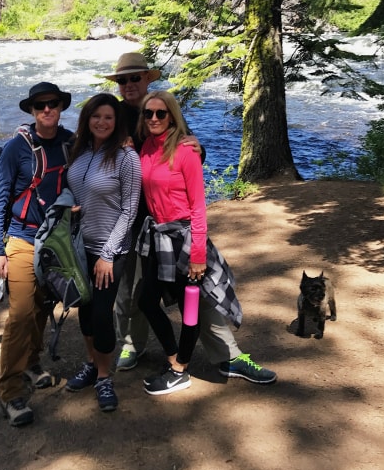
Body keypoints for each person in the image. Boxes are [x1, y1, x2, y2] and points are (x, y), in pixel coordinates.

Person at [104, 52, 277, 384]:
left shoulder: (162, 107)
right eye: (123, 80)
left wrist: (200, 149)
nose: (129, 85)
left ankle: (227, 357)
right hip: (128, 224)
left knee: (195, 295)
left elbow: (189, 149)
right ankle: (131, 345)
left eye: (135, 78)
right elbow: (94, 151)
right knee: (130, 292)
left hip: (169, 225)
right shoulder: (113, 116)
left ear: (148, 79)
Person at [0, 82, 74, 427]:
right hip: (22, 240)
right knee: (21, 313)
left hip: (55, 240)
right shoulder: (15, 150)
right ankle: (10, 392)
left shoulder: (71, 143)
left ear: (61, 107)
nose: (47, 110)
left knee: (42, 306)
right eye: (40, 106)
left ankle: (33, 364)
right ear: (32, 111)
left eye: (52, 104)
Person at [64, 93, 142, 412]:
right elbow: (74, 189)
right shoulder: (79, 151)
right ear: (87, 119)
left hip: (111, 249)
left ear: (116, 121)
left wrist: (108, 254)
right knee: (84, 311)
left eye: (108, 117)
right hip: (80, 248)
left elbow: (130, 208)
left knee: (100, 313)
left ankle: (105, 376)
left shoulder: (126, 157)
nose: (102, 122)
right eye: (97, 116)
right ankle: (92, 364)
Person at [136, 90, 208, 395]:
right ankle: (174, 360)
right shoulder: (146, 148)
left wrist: (198, 254)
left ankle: (181, 369)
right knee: (147, 301)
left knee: (189, 306)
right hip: (156, 237)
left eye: (160, 113)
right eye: (148, 113)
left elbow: (199, 206)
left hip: (182, 239)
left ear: (172, 116)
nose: (154, 118)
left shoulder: (185, 151)